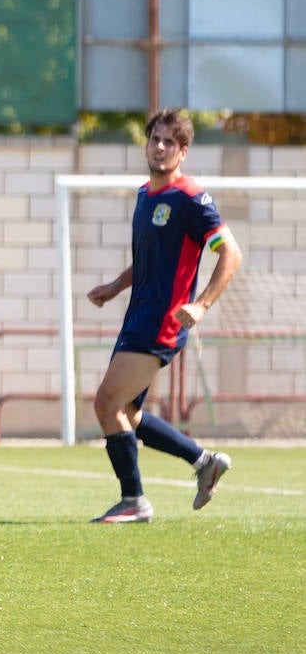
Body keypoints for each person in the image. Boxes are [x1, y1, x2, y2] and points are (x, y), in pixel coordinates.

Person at [86, 108, 240, 524]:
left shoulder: (191, 199)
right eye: (154, 138)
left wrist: (202, 303)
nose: (159, 147)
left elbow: (231, 253)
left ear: (183, 151)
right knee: (128, 414)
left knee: (106, 403)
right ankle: (203, 461)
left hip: (162, 322)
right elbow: (149, 258)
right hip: (137, 315)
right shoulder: (145, 195)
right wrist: (115, 287)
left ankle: (134, 501)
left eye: (169, 142)